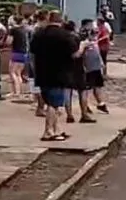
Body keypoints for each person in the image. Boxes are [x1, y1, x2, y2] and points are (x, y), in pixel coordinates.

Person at [31, 11, 88, 141]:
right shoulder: (64, 35)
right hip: (59, 73)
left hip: (42, 73)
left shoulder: (39, 34)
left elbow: (33, 52)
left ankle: (57, 130)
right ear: (61, 21)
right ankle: (48, 132)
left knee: (49, 101)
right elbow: (74, 54)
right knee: (54, 104)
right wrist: (83, 46)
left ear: (48, 19)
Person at [82, 23, 109, 114]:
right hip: (88, 68)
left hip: (96, 67)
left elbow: (97, 54)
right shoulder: (85, 44)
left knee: (97, 86)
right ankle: (85, 105)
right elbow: (83, 56)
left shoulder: (94, 43)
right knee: (86, 88)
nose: (95, 35)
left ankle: (100, 103)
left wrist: (101, 63)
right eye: (94, 33)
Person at [8, 15, 30, 99]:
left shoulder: (13, 30)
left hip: (16, 52)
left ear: (14, 21)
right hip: (24, 53)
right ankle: (18, 91)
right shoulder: (24, 30)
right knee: (18, 73)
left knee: (12, 72)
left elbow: (9, 41)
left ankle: (16, 92)